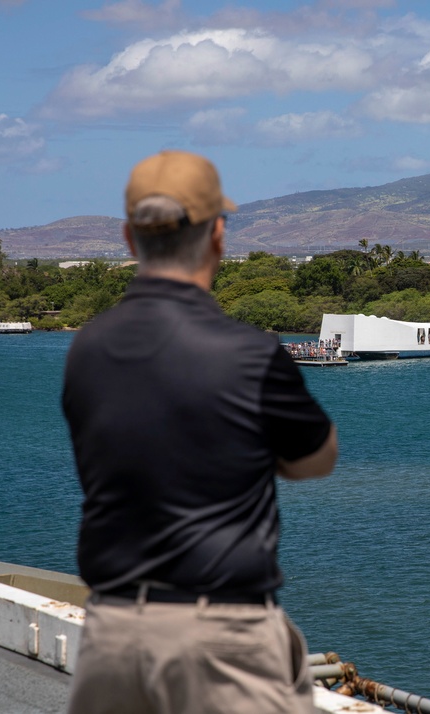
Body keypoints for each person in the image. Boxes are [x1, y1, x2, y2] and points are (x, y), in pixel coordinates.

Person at [63, 150, 338, 714]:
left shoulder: (87, 349)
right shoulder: (249, 352)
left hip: (112, 637)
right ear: (218, 234)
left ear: (128, 238)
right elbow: (316, 459)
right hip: (222, 639)